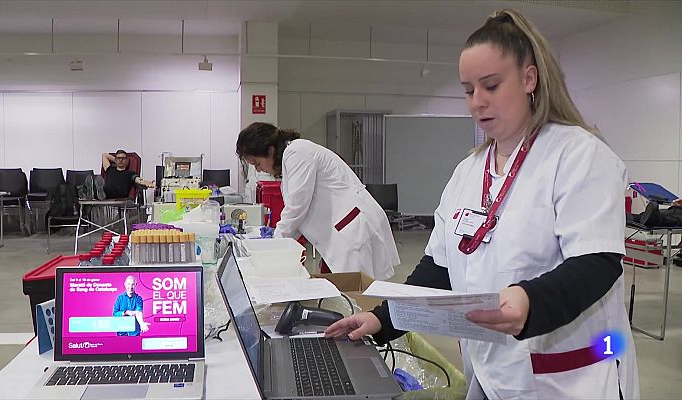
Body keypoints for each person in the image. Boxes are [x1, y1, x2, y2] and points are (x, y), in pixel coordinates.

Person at [325, 9, 639, 400]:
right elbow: (438, 269)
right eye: (469, 90)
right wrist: (380, 319)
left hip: (567, 378)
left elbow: (597, 263)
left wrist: (530, 299)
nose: (478, 102)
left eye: (491, 86)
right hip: (491, 374)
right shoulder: (468, 172)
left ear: (529, 78)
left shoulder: (578, 156)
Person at [236, 122, 400, 280]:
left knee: (357, 294)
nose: (257, 169)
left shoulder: (297, 152)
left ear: (270, 151)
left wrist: (275, 243)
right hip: (339, 232)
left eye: (257, 163)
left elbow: (297, 207)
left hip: (352, 229)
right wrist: (279, 238)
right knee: (339, 288)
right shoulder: (291, 158)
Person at [90, 149, 154, 200]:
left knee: (98, 191)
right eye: (118, 158)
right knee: (94, 188)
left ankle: (94, 192)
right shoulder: (110, 169)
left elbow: (137, 179)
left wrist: (145, 183)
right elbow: (104, 155)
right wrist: (116, 160)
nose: (120, 160)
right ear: (115, 160)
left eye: (123, 158)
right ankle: (92, 191)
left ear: (127, 161)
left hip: (120, 196)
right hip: (106, 194)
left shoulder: (130, 173)